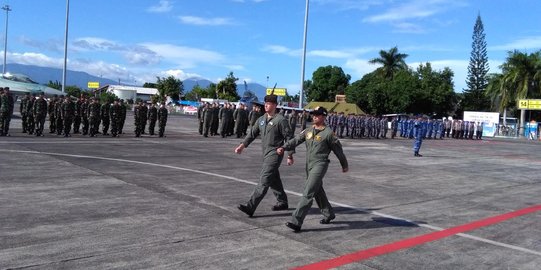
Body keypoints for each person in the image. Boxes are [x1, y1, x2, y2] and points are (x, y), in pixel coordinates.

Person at [277, 106, 348, 232]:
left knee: (308, 191)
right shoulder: (308, 130)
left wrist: (344, 165)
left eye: (317, 114)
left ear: (324, 116)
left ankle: (296, 221)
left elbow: (339, 151)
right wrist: (284, 147)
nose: (314, 116)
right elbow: (296, 140)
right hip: (308, 165)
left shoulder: (329, 133)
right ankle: (329, 214)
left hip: (320, 164)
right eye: (313, 114)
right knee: (317, 190)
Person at [234, 94, 292, 217]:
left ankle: (250, 207)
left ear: (275, 105)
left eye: (269, 103)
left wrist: (289, 154)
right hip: (265, 154)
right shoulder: (261, 120)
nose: (266, 105)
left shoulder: (280, 120)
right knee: (273, 179)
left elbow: (289, 138)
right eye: (265, 103)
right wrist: (242, 146)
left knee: (264, 180)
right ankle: (282, 201)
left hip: (275, 154)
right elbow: (252, 134)